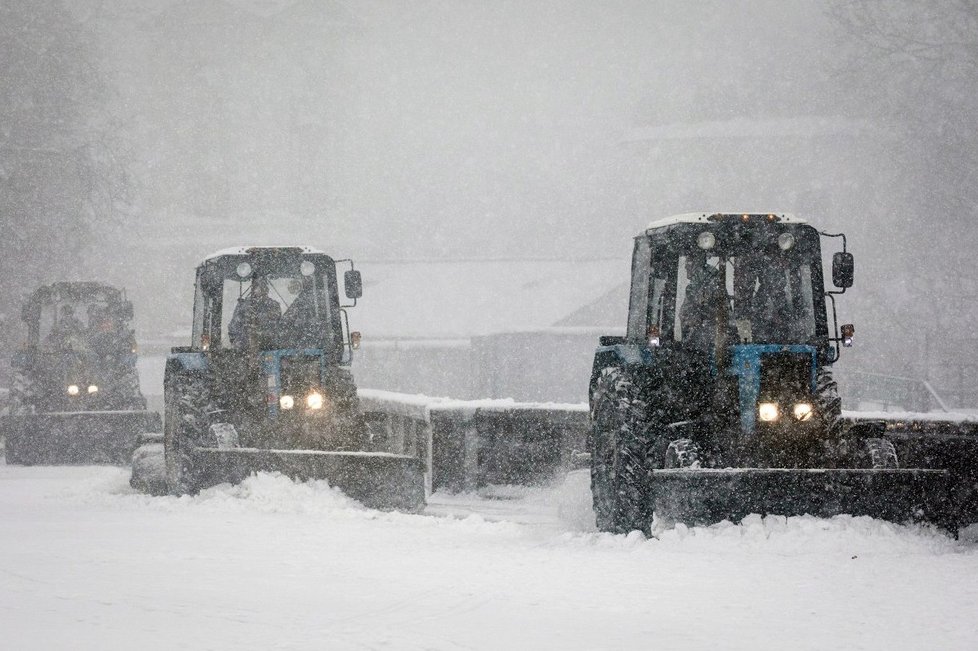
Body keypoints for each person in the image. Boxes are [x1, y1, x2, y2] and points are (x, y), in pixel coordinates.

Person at [679, 254, 726, 349]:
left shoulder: (707, 281)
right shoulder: (695, 286)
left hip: (704, 343)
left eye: (688, 262)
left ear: (695, 263)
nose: (685, 266)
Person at [228, 276, 281, 349]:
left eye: (262, 287)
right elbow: (234, 325)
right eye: (257, 287)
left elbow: (275, 325)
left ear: (266, 290)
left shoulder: (273, 305)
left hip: (268, 347)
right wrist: (236, 340)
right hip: (245, 347)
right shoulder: (243, 305)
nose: (259, 290)